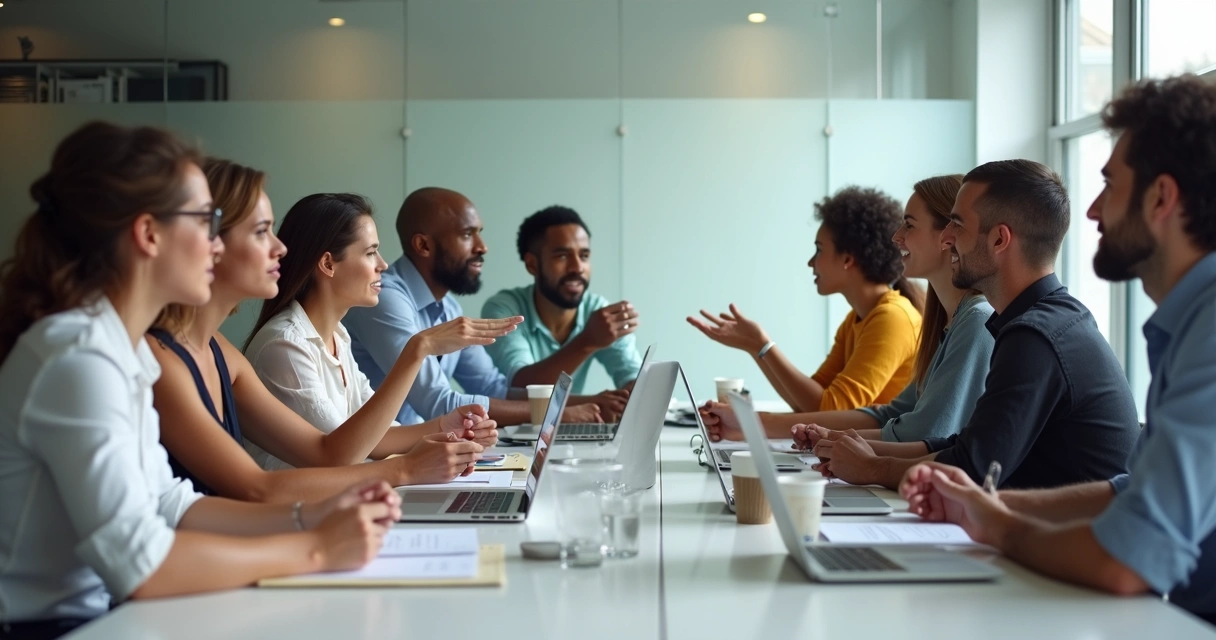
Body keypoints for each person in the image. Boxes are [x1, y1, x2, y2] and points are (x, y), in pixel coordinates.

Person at [0, 122, 396, 637]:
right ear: (148, 235)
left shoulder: (118, 347)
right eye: (207, 222)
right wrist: (316, 547)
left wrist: (316, 514)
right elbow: (141, 564)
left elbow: (172, 504)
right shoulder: (79, 357)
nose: (216, 244)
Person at [900, 75, 1216, 623]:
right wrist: (984, 505)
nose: (1092, 211)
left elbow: (1127, 559)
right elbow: (1129, 491)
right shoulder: (1186, 325)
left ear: (1161, 197)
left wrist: (995, 524)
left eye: (1110, 186)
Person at [151, 162, 516, 502]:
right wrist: (417, 351)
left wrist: (440, 429)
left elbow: (351, 445)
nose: (280, 249)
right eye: (262, 232)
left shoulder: (225, 349)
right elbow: (322, 462)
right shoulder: (275, 344)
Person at [806, 160, 1140, 491]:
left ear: (999, 240)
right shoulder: (1045, 319)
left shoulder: (1034, 336)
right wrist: (856, 450)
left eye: (957, 225)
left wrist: (872, 467)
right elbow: (967, 444)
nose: (947, 238)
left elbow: (974, 469)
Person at [700, 175, 994, 444]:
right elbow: (885, 414)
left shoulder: (911, 318)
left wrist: (762, 347)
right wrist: (750, 422)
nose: (897, 236)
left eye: (910, 224)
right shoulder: (939, 322)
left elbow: (915, 431)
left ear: (948, 235)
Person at [244, 193, 523, 471]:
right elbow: (340, 456)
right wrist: (417, 349)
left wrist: (446, 425)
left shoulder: (337, 336)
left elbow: (375, 438)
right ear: (328, 264)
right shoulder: (285, 345)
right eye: (370, 253)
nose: (383, 264)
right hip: (303, 510)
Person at [344, 187, 602, 426]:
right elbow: (439, 404)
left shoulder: (449, 308)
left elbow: (493, 389)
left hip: (409, 456)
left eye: (479, 233)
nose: (482, 247)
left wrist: (595, 402)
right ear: (423, 245)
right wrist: (557, 414)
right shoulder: (383, 299)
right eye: (467, 234)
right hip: (369, 461)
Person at [688, 186, 924, 413]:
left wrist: (764, 346)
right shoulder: (858, 318)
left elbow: (833, 410)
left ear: (847, 259)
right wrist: (755, 348)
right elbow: (808, 401)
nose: (811, 262)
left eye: (819, 250)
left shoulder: (892, 318)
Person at [481, 205, 641, 414]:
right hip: (508, 436)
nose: (577, 267)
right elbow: (520, 387)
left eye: (584, 256)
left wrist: (631, 394)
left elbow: (633, 376)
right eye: (562, 256)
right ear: (532, 265)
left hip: (569, 431)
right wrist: (587, 341)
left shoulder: (597, 310)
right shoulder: (503, 309)